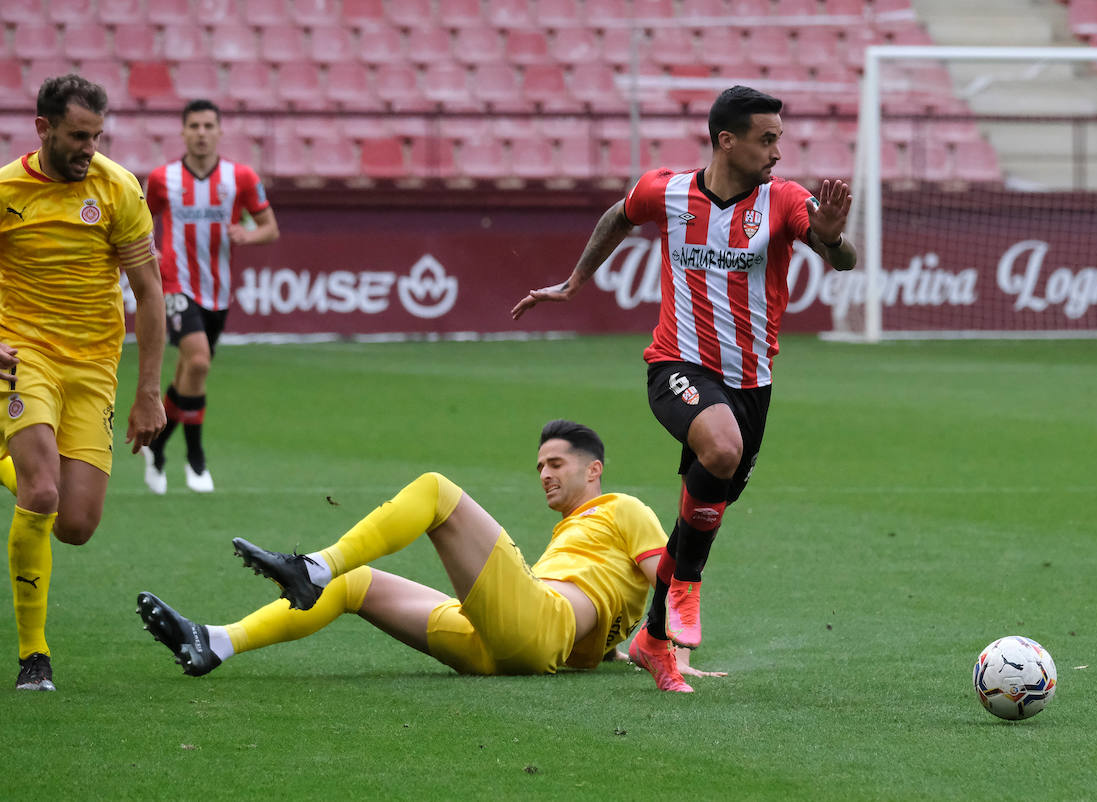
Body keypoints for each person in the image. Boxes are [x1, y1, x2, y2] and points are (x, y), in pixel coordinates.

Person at [510, 86, 856, 691]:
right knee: (720, 451)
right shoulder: (666, 191)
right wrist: (573, 283)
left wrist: (829, 237)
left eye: (780, 138)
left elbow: (842, 257)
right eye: (766, 138)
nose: (779, 151)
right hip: (676, 366)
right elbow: (619, 214)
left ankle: (654, 640)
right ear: (727, 140)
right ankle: (686, 594)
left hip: (752, 384)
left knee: (700, 516)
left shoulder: (784, 201)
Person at [136, 420, 723, 691]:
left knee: (438, 492)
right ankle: (214, 642)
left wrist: (671, 651)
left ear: (594, 470)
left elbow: (668, 579)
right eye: (539, 465)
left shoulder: (624, 508)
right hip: (496, 645)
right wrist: (624, 651)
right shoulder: (574, 534)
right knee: (358, 585)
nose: (544, 474)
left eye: (556, 464)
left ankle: (313, 566)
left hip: (538, 626)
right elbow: (610, 602)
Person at [0, 74, 166, 692]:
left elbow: (149, 293)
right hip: (26, 354)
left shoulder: (118, 189)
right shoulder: (7, 190)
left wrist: (150, 392)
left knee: (75, 525)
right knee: (40, 493)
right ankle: (33, 656)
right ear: (43, 129)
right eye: (77, 136)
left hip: (94, 366)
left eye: (96, 135)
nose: (89, 148)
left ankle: (7, 454)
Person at [142, 99, 279, 494]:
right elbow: (140, 221)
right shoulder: (162, 178)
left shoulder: (241, 178)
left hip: (217, 291)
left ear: (219, 132)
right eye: (194, 126)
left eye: (208, 126)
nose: (201, 133)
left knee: (189, 371)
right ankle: (197, 458)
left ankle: (159, 445)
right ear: (183, 132)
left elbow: (270, 227)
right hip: (175, 285)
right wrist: (146, 255)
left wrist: (247, 234)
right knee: (199, 362)